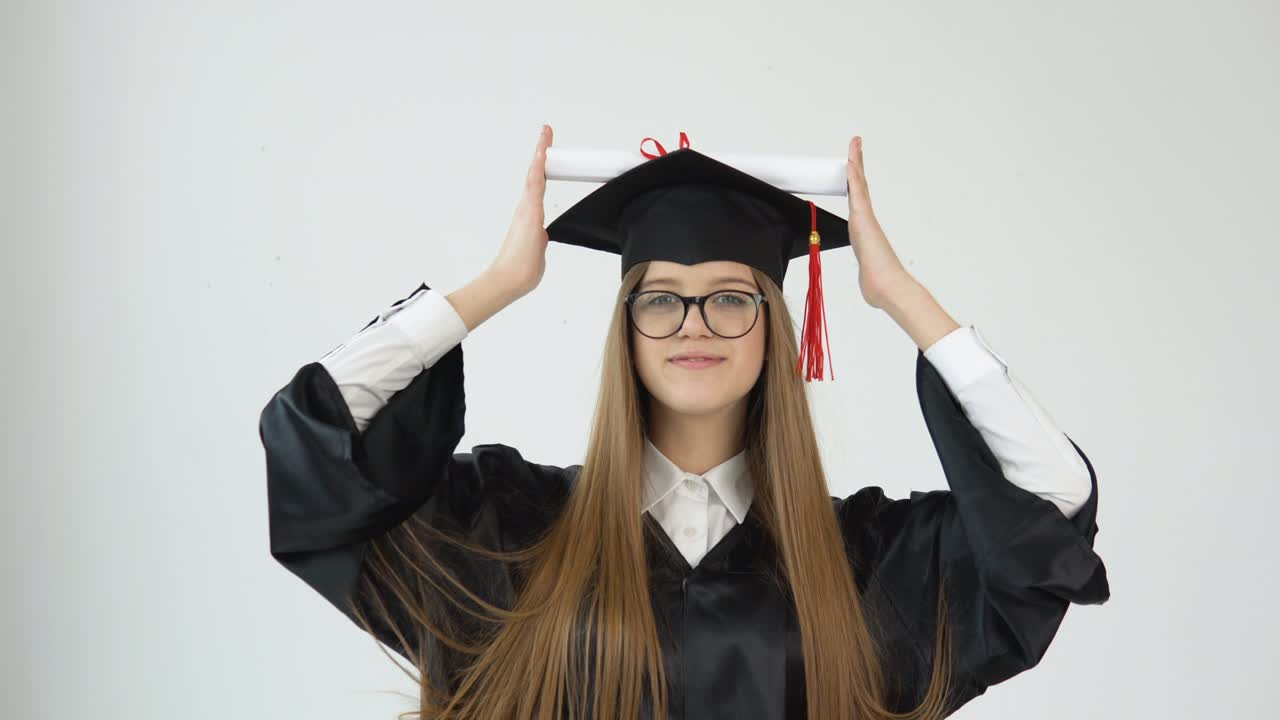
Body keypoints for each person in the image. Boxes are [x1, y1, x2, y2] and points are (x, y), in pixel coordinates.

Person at [258, 126, 1110, 719]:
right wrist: (494, 286)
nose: (694, 323)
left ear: (777, 330)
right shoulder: (508, 531)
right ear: (624, 331)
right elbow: (316, 443)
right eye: (660, 299)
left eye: (732, 298)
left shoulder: (869, 565)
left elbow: (1052, 504)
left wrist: (906, 299)